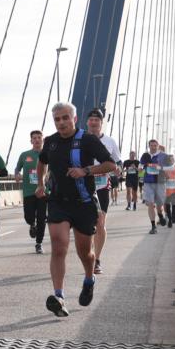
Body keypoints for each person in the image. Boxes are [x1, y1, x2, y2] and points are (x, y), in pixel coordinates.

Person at [35, 102, 117, 317]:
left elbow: (110, 165)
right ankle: (59, 296)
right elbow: (41, 162)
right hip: (58, 202)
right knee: (58, 245)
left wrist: (86, 170)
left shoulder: (87, 140)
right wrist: (41, 184)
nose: (61, 122)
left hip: (83, 203)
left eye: (65, 118)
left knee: (85, 253)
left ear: (74, 118)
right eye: (57, 119)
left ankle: (89, 279)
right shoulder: (51, 142)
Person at [85, 108, 121, 275]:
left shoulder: (110, 141)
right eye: (91, 120)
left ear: (101, 123)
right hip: (83, 185)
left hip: (101, 186)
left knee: (100, 223)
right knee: (87, 225)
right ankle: (89, 254)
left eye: (97, 120)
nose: (94, 123)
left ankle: (96, 259)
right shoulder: (81, 140)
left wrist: (118, 170)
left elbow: (117, 161)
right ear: (87, 122)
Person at [14, 130, 47, 254]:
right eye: (34, 138)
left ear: (42, 140)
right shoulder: (25, 155)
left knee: (42, 218)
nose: (37, 140)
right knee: (29, 216)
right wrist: (17, 174)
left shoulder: (48, 154)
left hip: (44, 191)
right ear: (31, 141)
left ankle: (39, 243)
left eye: (39, 137)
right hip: (28, 191)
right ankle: (32, 224)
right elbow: (18, 168)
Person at [139, 139, 169, 234]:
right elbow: (141, 164)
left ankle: (160, 216)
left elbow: (169, 167)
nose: (153, 147)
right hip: (148, 182)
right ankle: (153, 226)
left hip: (160, 182)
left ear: (158, 146)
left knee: (160, 205)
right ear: (149, 146)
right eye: (151, 145)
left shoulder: (163, 156)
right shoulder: (145, 155)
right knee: (150, 203)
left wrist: (159, 167)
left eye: (155, 145)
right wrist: (140, 168)